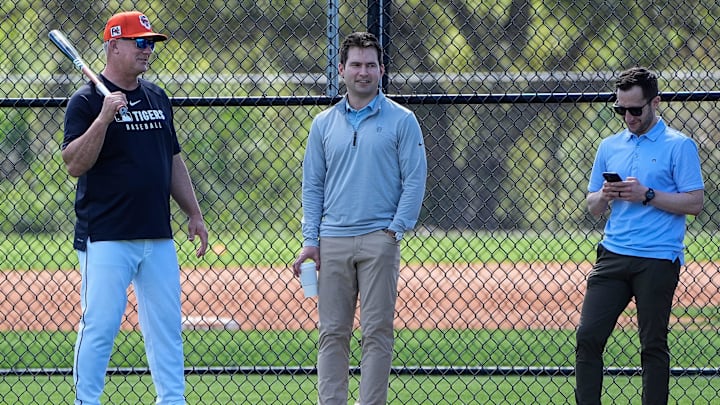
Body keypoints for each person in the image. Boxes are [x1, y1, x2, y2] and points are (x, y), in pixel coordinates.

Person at [61, 11, 208, 405]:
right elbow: (74, 163)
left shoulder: (157, 97)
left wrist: (193, 212)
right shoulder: (87, 101)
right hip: (106, 234)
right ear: (114, 46)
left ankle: (172, 400)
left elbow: (171, 157)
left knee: (165, 327)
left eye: (150, 43)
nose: (147, 50)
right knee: (100, 326)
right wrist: (104, 118)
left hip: (157, 233)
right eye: (139, 42)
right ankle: (86, 401)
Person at [292, 32, 427, 405]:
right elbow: (312, 185)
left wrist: (395, 230)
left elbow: (414, 179)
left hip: (378, 241)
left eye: (370, 65)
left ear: (381, 70)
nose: (363, 72)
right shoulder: (323, 124)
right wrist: (311, 240)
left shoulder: (403, 120)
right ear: (341, 70)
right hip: (332, 240)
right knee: (332, 332)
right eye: (356, 64)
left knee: (377, 332)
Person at [575, 66, 704, 405]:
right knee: (588, 337)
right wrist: (605, 194)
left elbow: (695, 203)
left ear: (655, 103)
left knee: (652, 345)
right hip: (613, 254)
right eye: (620, 109)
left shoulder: (679, 146)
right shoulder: (609, 145)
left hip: (658, 258)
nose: (628, 117)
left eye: (635, 109)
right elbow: (592, 207)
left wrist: (646, 194)